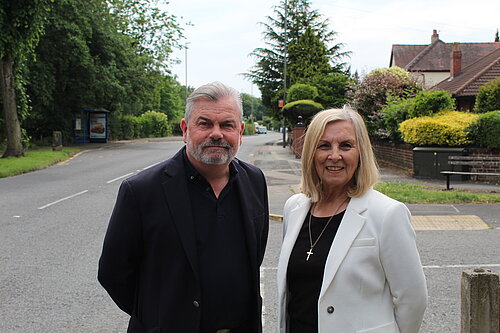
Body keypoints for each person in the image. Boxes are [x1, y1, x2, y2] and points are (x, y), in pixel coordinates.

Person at [98, 82, 269, 333]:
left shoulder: (254, 181)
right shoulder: (141, 191)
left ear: (241, 131)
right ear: (185, 129)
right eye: (205, 123)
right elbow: (114, 274)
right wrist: (157, 316)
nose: (217, 133)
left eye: (227, 125)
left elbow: (255, 256)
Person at [277, 108, 427, 333]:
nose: (334, 156)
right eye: (324, 145)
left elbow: (412, 299)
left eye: (345, 146)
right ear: (311, 153)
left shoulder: (387, 213)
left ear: (360, 153)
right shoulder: (294, 208)